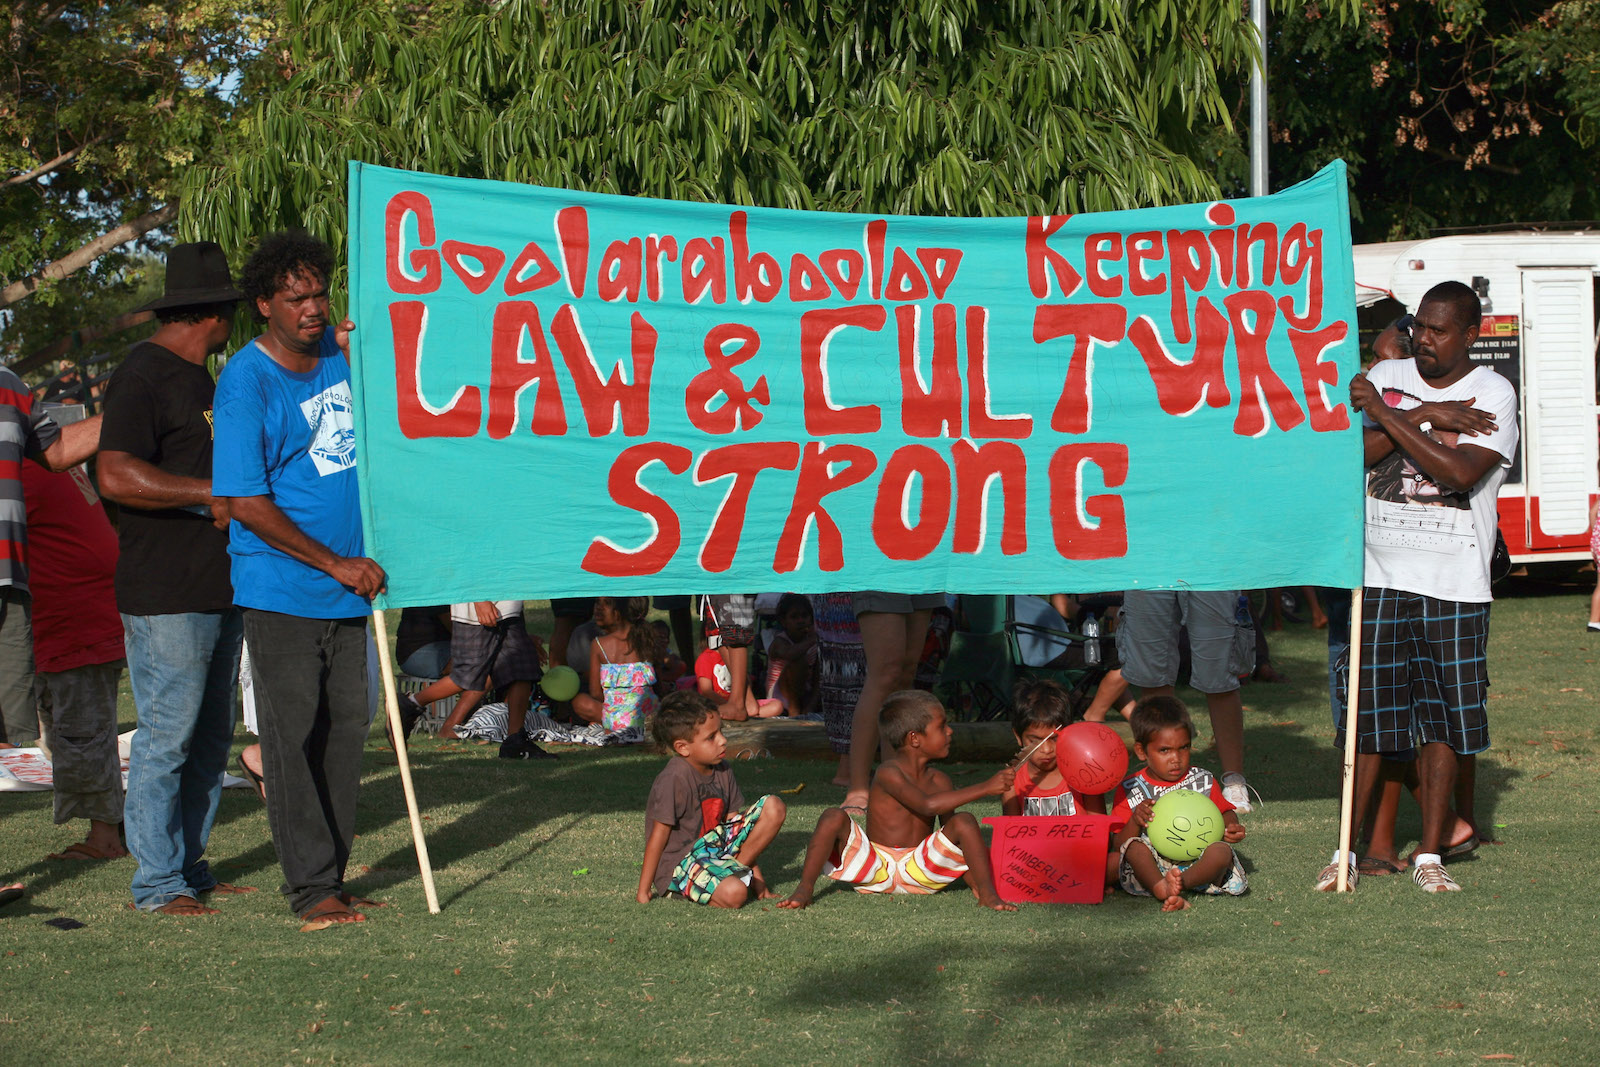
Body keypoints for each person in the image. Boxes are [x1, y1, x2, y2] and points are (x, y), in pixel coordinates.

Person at [1317, 280, 1519, 895]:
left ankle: (1430, 854)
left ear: (1471, 335)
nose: (1423, 341)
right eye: (1418, 327)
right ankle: (1345, 852)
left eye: (1438, 330)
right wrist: (1422, 414)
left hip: (1454, 580)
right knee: (1368, 721)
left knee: (1442, 723)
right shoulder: (1388, 370)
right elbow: (1353, 455)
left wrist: (1384, 413)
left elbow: (1457, 470)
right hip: (1377, 576)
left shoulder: (1493, 391)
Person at [213, 230, 386, 928]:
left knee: (346, 733)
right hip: (283, 588)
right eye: (297, 298)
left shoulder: (340, 361)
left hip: (352, 591)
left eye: (320, 293)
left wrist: (361, 350)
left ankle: (333, 875)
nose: (313, 308)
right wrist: (335, 561)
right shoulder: (245, 381)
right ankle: (311, 889)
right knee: (293, 738)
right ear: (265, 306)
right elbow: (245, 501)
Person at [97, 240, 246, 916]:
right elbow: (115, 472)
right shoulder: (143, 374)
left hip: (218, 584)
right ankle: (157, 884)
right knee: (168, 736)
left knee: (212, 738)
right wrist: (206, 490)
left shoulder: (203, 379)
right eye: (231, 311)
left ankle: (188, 866)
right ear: (210, 313)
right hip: (166, 593)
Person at [778, 690, 1015, 911]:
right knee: (833, 816)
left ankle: (987, 894)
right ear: (914, 739)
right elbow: (925, 805)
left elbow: (951, 839)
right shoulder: (888, 772)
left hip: (921, 871)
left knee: (964, 821)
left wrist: (975, 878)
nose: (950, 731)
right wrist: (986, 787)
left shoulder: (941, 780)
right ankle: (804, 889)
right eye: (942, 726)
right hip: (875, 868)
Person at [23, 461, 126, 862]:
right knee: (75, 730)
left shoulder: (22, 468)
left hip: (74, 618)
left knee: (81, 733)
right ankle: (109, 830)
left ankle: (106, 838)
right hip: (75, 614)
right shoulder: (42, 460)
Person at [636, 691, 785, 906]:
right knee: (736, 894)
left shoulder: (723, 769)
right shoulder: (674, 777)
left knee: (774, 806)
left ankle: (730, 875)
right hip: (684, 862)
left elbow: (737, 831)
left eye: (721, 732)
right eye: (711, 737)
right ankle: (690, 887)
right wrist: (643, 891)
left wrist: (759, 882)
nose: (723, 741)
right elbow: (657, 837)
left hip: (717, 851)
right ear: (682, 747)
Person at [1115, 589, 1256, 811]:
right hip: (1149, 563)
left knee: (1220, 677)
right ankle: (1160, 782)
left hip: (1207, 562)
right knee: (1153, 677)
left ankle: (1234, 783)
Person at [1111, 695, 1248, 911]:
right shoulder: (1131, 788)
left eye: (1184, 748)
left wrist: (1231, 826)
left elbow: (1225, 812)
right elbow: (1119, 844)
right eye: (1164, 750)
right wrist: (1135, 821)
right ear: (1141, 751)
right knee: (1134, 849)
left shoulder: (1202, 779)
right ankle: (1160, 886)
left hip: (1197, 860)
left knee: (1221, 851)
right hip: (1152, 865)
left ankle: (1180, 884)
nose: (1176, 758)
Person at [841, 591, 943, 815]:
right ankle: (858, 788)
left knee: (906, 673)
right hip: (881, 565)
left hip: (924, 564)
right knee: (885, 672)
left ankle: (895, 779)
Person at [422, 601, 545, 757]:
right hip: (481, 610)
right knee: (470, 675)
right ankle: (411, 703)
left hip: (508, 607)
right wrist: (480, 600)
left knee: (523, 668)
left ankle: (515, 741)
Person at [1001, 679, 1105, 818]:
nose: (1046, 749)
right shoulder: (1011, 782)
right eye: (1035, 741)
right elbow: (1010, 835)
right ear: (1018, 736)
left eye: (1054, 739)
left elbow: (1100, 830)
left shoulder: (1085, 774)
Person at [573, 596, 661, 734]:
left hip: (615, 719)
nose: (599, 608)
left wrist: (618, 705)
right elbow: (657, 684)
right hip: (648, 715)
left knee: (580, 701)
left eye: (607, 604)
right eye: (597, 602)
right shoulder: (648, 639)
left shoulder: (599, 644)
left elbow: (596, 692)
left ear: (618, 613)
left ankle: (617, 726)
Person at [765, 593, 819, 716]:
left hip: (805, 693)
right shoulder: (779, 642)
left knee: (821, 666)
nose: (800, 621)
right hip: (780, 698)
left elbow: (818, 678)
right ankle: (794, 710)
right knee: (799, 661)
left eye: (804, 616)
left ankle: (808, 709)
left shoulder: (813, 645)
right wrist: (812, 639)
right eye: (794, 617)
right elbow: (791, 654)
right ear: (784, 622)